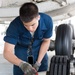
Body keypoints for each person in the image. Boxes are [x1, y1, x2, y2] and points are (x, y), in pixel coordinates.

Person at [3, 2, 53, 75]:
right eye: (26, 25)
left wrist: (38, 62)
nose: (30, 28)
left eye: (33, 25)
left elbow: (46, 41)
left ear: (38, 17)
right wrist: (21, 64)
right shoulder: (14, 26)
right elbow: (7, 52)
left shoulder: (47, 20)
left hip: (40, 51)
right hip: (21, 53)